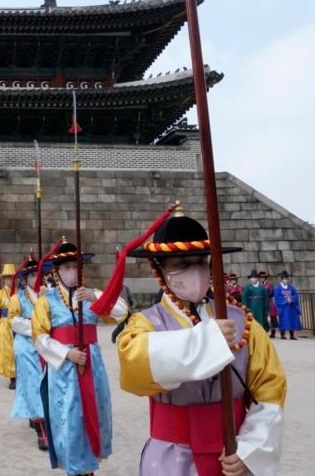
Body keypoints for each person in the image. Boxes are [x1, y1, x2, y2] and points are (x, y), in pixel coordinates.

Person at [110, 202, 287, 476]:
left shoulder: (243, 321)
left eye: (201, 263)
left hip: (233, 452)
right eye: (182, 264)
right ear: (160, 269)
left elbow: (270, 390)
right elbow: (134, 366)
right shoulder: (146, 323)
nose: (195, 271)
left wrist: (252, 447)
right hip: (172, 456)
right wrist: (206, 342)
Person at [33, 241, 126, 476]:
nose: (72, 271)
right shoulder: (47, 300)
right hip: (64, 370)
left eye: (76, 266)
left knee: (95, 412)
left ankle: (89, 468)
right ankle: (75, 468)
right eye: (66, 267)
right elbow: (39, 337)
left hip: (92, 366)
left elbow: (122, 311)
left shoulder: (91, 294)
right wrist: (66, 352)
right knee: (70, 417)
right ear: (56, 271)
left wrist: (95, 298)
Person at [7, 259, 50, 451]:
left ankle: (44, 418)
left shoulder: (50, 295)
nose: (37, 278)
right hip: (26, 346)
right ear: (25, 278)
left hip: (47, 346)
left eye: (39, 275)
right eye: (33, 275)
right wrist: (36, 325)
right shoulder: (18, 298)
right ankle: (42, 428)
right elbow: (14, 321)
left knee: (49, 384)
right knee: (33, 384)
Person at [0, 263, 17, 388]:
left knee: (19, 349)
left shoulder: (20, 292)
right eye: (7, 278)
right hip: (4, 324)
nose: (10, 280)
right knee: (8, 351)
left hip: (18, 324)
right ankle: (12, 377)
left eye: (12, 278)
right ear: (3, 280)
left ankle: (21, 374)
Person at [273, 270, 302, 340]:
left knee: (292, 319)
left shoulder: (291, 288)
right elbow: (277, 297)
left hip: (291, 306)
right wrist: (286, 300)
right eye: (284, 279)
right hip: (284, 307)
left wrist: (292, 300)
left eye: (286, 279)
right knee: (284, 320)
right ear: (282, 279)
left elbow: (295, 294)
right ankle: (282, 334)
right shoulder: (278, 288)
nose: (286, 281)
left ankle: (292, 334)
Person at [241, 269, 269, 336]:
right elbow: (244, 298)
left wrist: (266, 307)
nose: (253, 279)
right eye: (252, 278)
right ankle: (253, 334)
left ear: (257, 278)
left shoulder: (262, 288)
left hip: (261, 307)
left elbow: (266, 298)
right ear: (250, 279)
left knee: (261, 319)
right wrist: (245, 308)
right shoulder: (248, 288)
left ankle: (261, 334)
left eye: (255, 278)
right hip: (251, 306)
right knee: (252, 320)